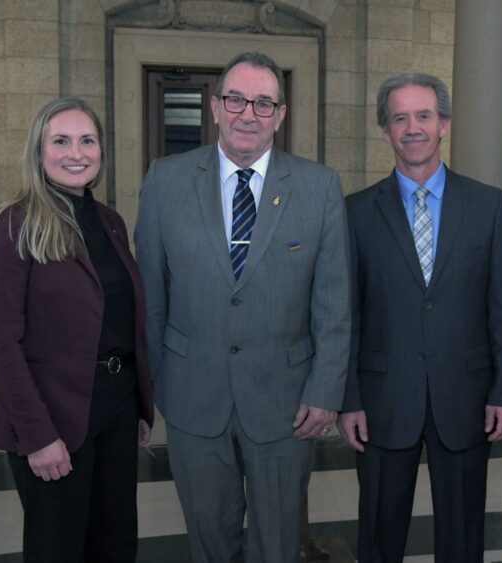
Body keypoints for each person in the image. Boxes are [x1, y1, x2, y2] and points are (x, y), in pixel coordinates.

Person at [134, 51, 350, 563]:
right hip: (192, 398)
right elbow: (150, 295)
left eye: (262, 102)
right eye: (235, 99)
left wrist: (325, 392)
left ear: (280, 114)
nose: (246, 114)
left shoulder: (319, 188)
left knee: (279, 544)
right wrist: (156, 387)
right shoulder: (165, 180)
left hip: (286, 403)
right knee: (210, 541)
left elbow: (334, 301)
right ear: (214, 107)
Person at [339, 73, 502, 562]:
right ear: (385, 131)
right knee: (379, 537)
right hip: (380, 403)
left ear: (443, 123)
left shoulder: (487, 206)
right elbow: (346, 315)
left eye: (424, 116)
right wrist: (348, 400)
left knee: (462, 540)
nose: (412, 127)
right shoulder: (355, 213)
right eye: (399, 118)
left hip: (465, 400)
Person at [0, 97, 154, 562]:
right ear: (39, 151)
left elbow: (119, 317)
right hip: (51, 417)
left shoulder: (110, 223)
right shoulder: (10, 226)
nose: (76, 152)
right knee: (58, 549)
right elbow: (2, 344)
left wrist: (136, 403)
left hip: (114, 409)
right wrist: (37, 435)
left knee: (115, 546)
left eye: (87, 140)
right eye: (61, 141)